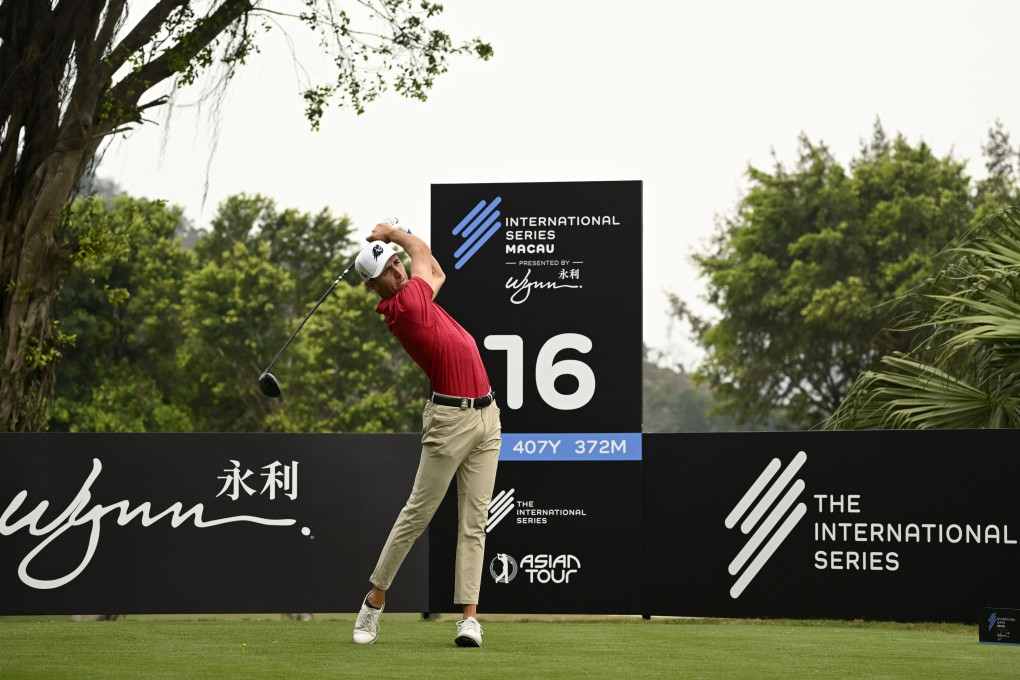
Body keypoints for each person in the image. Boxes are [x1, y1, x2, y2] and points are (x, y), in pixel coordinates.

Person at [351, 221, 501, 648]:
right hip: (450, 423)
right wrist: (394, 232)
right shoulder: (406, 306)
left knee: (475, 522)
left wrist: (401, 245)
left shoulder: (415, 291)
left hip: (487, 417)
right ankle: (374, 600)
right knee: (417, 514)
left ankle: (469, 620)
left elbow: (435, 272)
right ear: (374, 286)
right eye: (387, 270)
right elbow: (420, 252)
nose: (397, 270)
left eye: (397, 264)